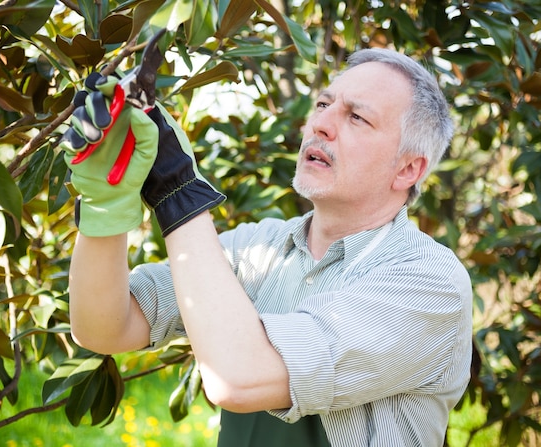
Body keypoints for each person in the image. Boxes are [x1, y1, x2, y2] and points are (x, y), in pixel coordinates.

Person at [62, 47, 472, 446]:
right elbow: (104, 327)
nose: (322, 125)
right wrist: (104, 206)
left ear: (408, 168)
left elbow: (238, 378)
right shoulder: (257, 247)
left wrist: (179, 190)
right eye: (323, 104)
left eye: (357, 117)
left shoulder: (429, 282)